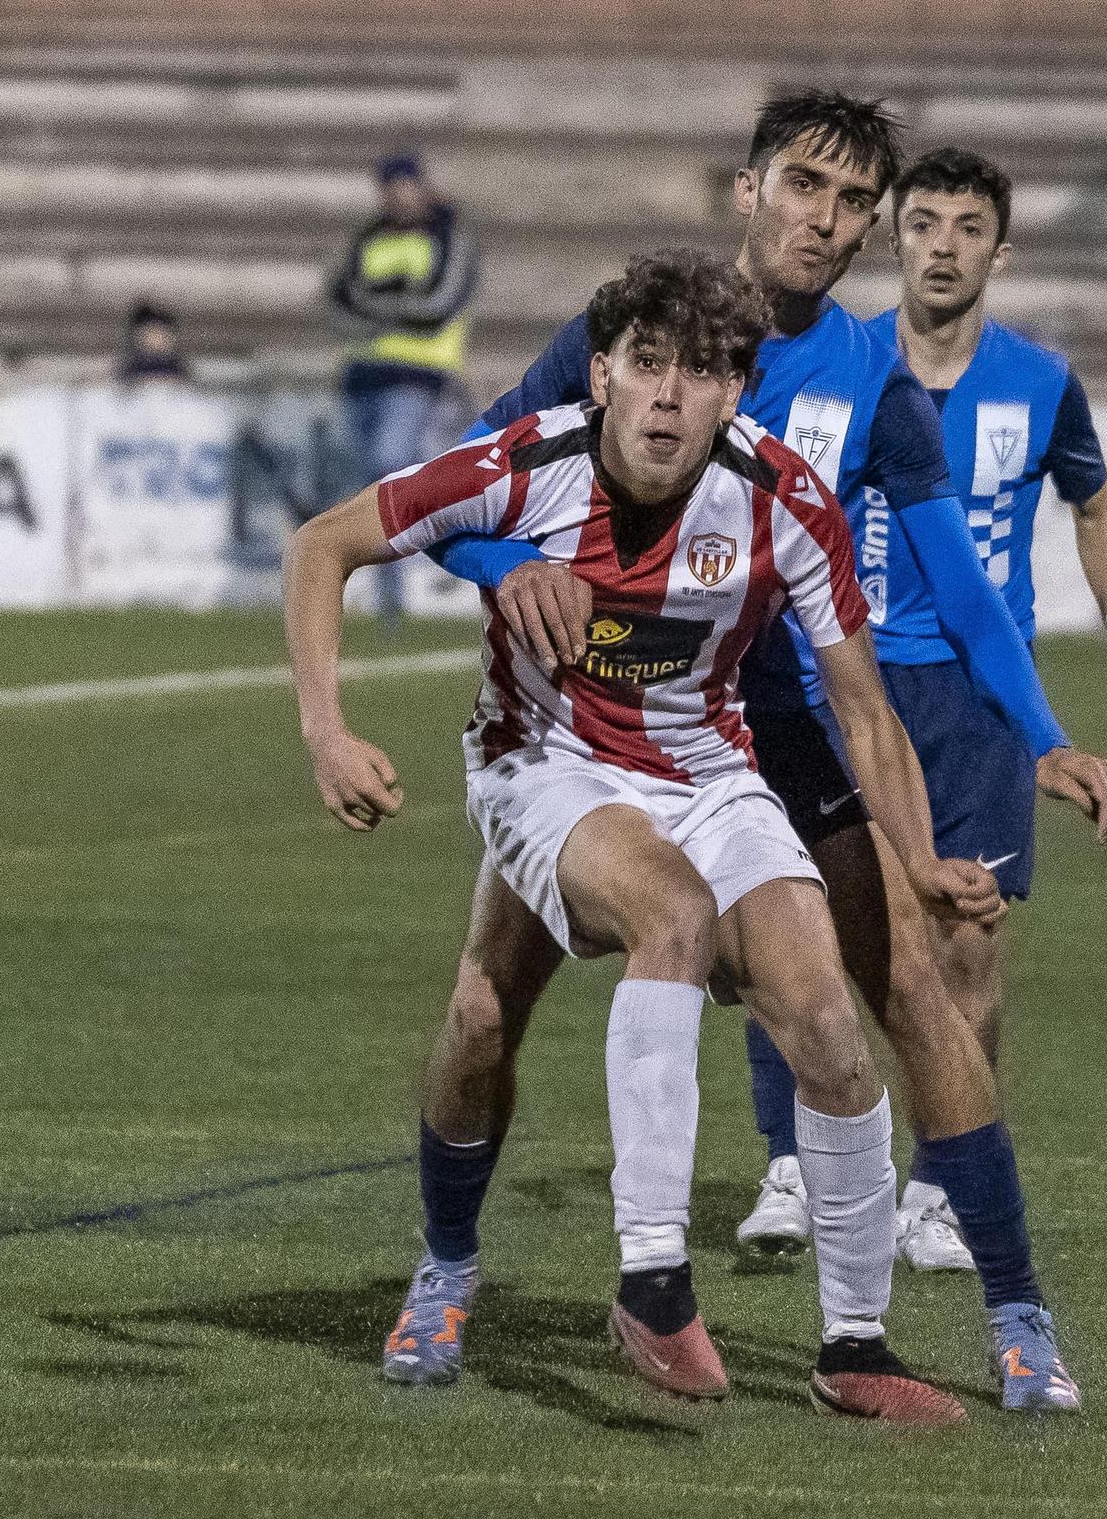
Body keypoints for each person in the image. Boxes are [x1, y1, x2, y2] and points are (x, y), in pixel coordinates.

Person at [417, 91, 1107, 1407]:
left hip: (772, 730)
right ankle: (447, 1269)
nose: (829, 220)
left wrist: (1045, 736)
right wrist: (522, 570)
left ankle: (1015, 1319)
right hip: (588, 713)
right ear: (749, 190)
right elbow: (463, 480)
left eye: (856, 202)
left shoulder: (874, 384)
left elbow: (961, 594)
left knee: (907, 994)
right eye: (807, 186)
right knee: (479, 1010)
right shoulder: (625, 334)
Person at [283, 252, 989, 1424]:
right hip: (542, 763)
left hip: (710, 771)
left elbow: (861, 705)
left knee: (822, 1015)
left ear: (735, 391)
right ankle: (629, 1279)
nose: (668, 394)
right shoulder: (525, 461)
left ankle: (855, 1342)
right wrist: (327, 732)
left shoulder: (782, 496)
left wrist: (910, 860)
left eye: (702, 371)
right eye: (646, 364)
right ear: (601, 371)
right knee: (661, 917)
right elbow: (323, 543)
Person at [862, 145, 1107, 1264]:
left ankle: (940, 1186)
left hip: (977, 695)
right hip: (850, 681)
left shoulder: (1040, 381)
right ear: (893, 236)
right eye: (924, 222)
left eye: (968, 226)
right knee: (820, 930)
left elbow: (1096, 504)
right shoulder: (840, 364)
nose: (944, 244)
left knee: (968, 940)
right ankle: (794, 1164)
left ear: (998, 250)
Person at [327, 151, 479, 608]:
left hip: (420, 375)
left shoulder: (450, 234)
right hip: (361, 374)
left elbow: (438, 306)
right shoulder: (367, 235)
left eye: (404, 185)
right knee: (362, 484)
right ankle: (378, 594)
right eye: (388, 188)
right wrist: (399, 300)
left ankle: (404, 590)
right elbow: (337, 303)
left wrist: (377, 304)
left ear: (420, 185)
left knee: (391, 467)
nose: (396, 196)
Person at [116, 301, 190, 383]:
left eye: (161, 334)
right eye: (150, 334)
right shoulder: (131, 367)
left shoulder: (178, 367)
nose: (156, 339)